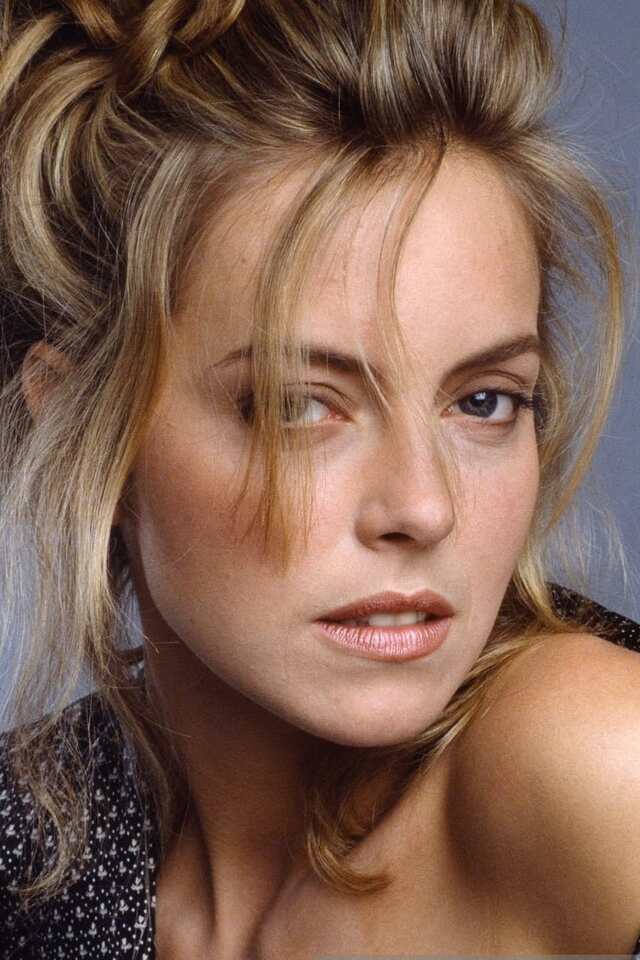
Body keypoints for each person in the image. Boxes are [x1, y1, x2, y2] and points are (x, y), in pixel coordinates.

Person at [0, 0, 639, 956]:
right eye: (300, 406)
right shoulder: (34, 858)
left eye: (484, 401)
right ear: (85, 427)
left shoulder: (596, 764)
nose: (423, 508)